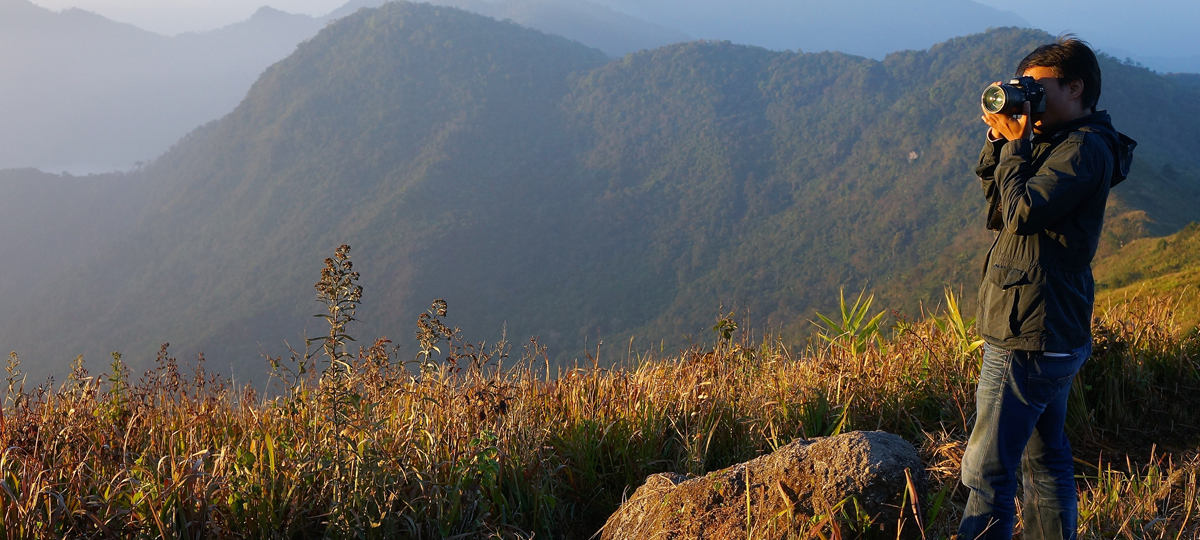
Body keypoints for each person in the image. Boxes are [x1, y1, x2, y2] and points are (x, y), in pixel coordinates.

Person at [960, 35, 1136, 540]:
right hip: (1048, 327)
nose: (1028, 98)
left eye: (1037, 89)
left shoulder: (1083, 149)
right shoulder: (1062, 141)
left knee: (987, 472)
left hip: (1029, 335)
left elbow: (1022, 214)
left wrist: (1017, 144)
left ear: (1076, 87)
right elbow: (1000, 204)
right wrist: (1001, 140)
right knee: (1046, 457)